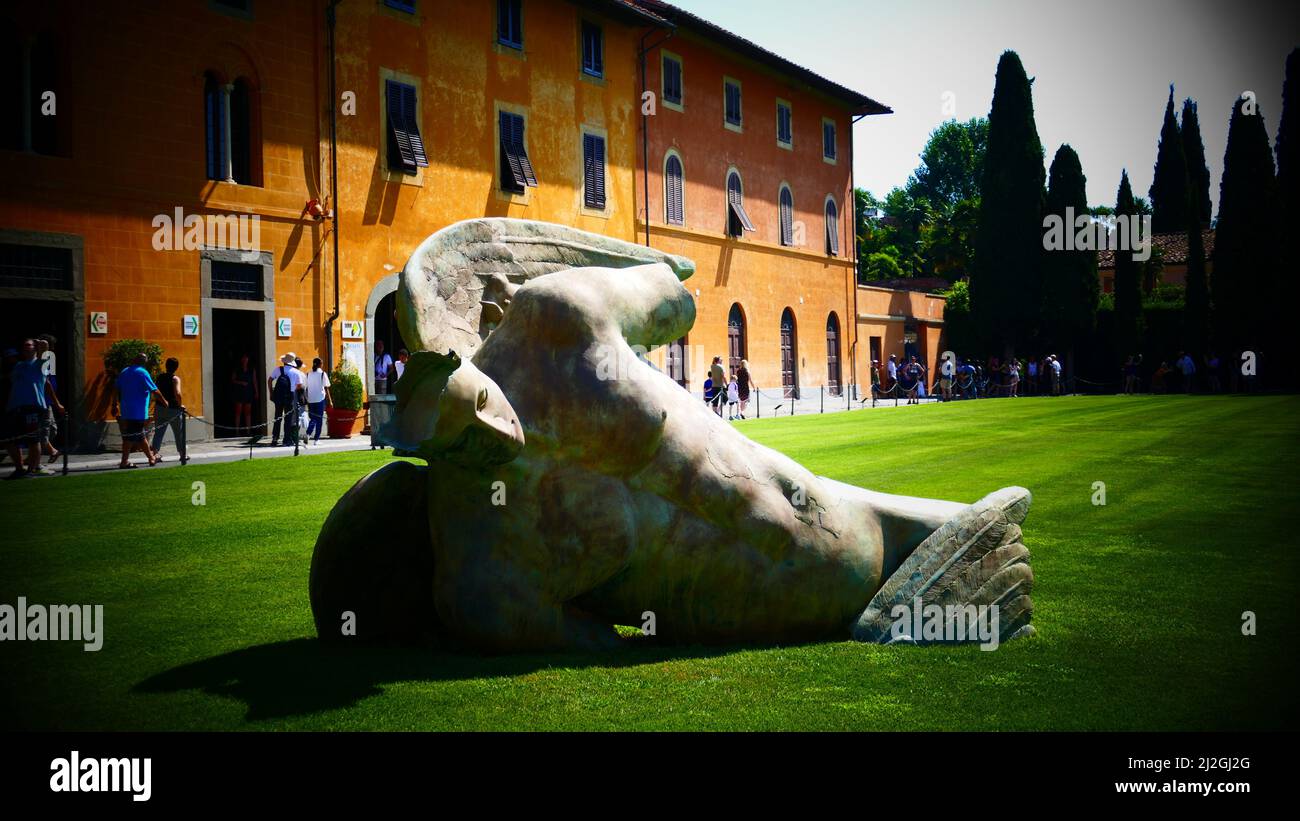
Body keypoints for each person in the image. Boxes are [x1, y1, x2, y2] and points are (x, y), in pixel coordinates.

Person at [5, 338, 65, 478]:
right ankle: (19, 469)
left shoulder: (41, 363)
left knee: (34, 440)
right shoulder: (18, 365)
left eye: (29, 345)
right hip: (15, 407)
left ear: (35, 348)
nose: (26, 347)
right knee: (9, 440)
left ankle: (31, 469)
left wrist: (40, 344)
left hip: (33, 406)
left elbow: (45, 347)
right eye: (24, 345)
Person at [116, 353, 168, 469]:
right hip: (138, 411)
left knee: (139, 435)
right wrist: (164, 402)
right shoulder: (142, 373)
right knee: (131, 436)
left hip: (126, 409)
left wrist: (115, 404)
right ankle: (125, 462)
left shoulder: (124, 371)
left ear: (134, 359)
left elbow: (117, 389)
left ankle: (151, 458)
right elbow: (154, 389)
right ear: (144, 362)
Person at [150, 357, 187, 463]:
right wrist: (180, 405)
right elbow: (178, 393)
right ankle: (182, 454)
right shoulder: (175, 379)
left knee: (158, 432)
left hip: (160, 407)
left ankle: (155, 453)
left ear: (166, 366)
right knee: (178, 432)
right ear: (176, 368)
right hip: (173, 409)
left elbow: (155, 391)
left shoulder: (160, 377)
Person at [268, 353, 305, 446]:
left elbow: (270, 380)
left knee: (277, 417)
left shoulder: (278, 369)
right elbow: (300, 385)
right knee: (288, 419)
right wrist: (293, 388)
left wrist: (271, 392)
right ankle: (286, 439)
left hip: (278, 396)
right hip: (290, 396)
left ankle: (275, 438)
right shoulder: (296, 372)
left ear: (284, 361)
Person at [304, 357, 333, 443]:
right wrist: (330, 400)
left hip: (311, 399)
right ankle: (316, 439)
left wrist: (307, 398)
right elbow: (326, 388)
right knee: (319, 419)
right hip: (320, 399)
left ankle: (308, 433)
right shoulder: (322, 374)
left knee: (313, 418)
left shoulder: (308, 374)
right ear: (320, 364)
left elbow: (306, 387)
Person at [231, 353, 257, 437]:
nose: (245, 359)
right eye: (244, 357)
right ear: (241, 359)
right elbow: (233, 380)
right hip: (239, 392)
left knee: (248, 412)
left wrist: (256, 392)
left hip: (248, 392)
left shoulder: (251, 369)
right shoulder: (237, 369)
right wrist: (241, 382)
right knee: (238, 412)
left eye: (247, 357)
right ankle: (237, 431)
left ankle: (248, 431)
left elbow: (254, 381)